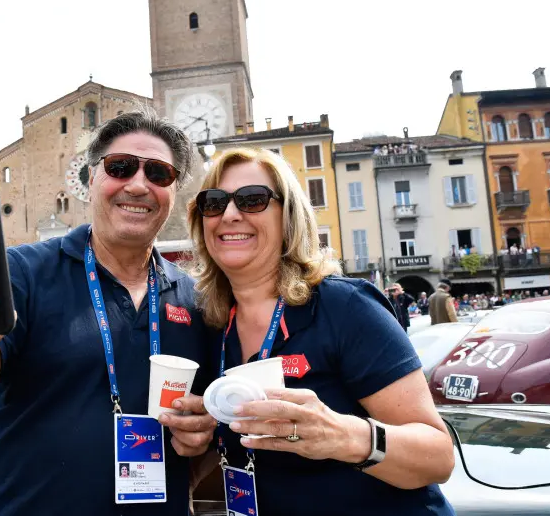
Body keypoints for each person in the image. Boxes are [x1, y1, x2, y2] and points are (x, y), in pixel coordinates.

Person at [0, 109, 218, 516]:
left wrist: (202, 433)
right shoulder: (21, 275)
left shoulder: (196, 299)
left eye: (159, 174)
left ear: (174, 191)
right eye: (121, 167)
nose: (139, 185)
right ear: (92, 179)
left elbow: (212, 431)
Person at [186, 148, 455, 515]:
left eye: (252, 200)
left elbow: (438, 457)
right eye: (214, 203)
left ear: (289, 217)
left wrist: (342, 435)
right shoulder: (213, 325)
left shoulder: (344, 307)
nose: (230, 214)